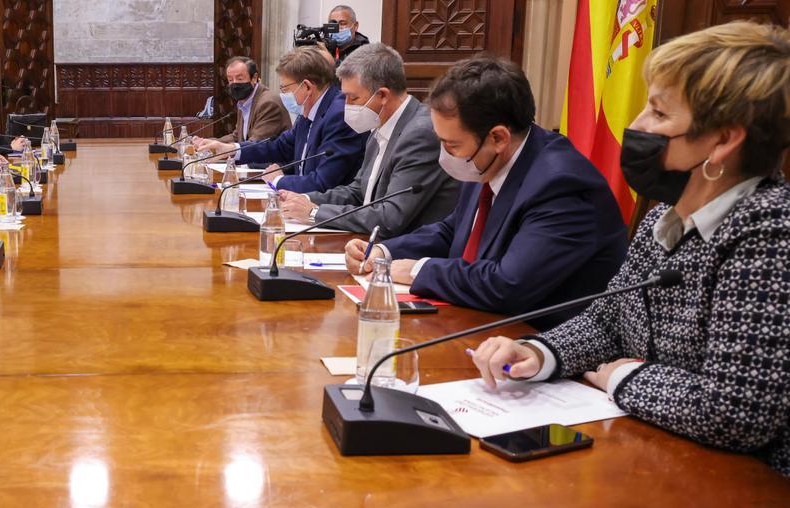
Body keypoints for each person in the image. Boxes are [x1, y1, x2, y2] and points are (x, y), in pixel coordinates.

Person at [470, 21, 790, 476]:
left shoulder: (771, 234)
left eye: (659, 115)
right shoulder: (664, 217)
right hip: (653, 456)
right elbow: (609, 320)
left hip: (743, 492)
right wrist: (542, 353)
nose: (636, 126)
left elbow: (736, 412)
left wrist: (623, 377)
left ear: (723, 139)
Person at [345, 56, 627, 329]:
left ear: (498, 138)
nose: (445, 155)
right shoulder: (486, 159)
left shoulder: (561, 184)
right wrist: (384, 251)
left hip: (539, 342)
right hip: (479, 324)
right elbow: (452, 231)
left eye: (452, 145)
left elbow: (509, 285)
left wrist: (419, 270)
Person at [278, 44, 460, 237]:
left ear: (382, 95)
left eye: (352, 98)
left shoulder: (420, 134)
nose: (344, 106)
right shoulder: (379, 125)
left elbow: (390, 217)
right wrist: (303, 198)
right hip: (366, 241)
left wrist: (314, 212)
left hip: (403, 252)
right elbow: (358, 191)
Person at [198, 46, 366, 194]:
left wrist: (278, 180)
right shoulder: (309, 111)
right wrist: (231, 150)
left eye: (285, 88)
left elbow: (323, 182)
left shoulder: (339, 115)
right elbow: (279, 146)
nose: (283, 94)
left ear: (307, 86)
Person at [191, 56, 291, 150]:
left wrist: (219, 147)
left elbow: (256, 144)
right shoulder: (244, 101)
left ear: (254, 78)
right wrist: (209, 142)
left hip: (272, 166)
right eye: (230, 80)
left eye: (239, 78)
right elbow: (237, 137)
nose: (234, 83)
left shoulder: (268, 103)